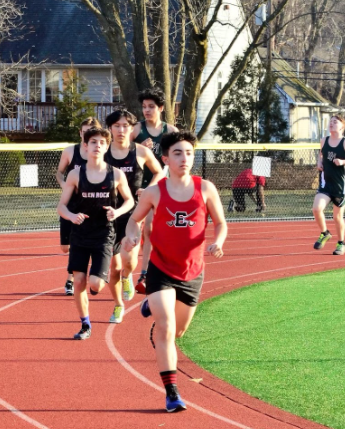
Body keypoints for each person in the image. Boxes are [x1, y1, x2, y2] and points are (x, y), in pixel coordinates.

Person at [124, 131, 227, 412]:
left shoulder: (205, 188)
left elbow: (220, 223)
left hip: (193, 272)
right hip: (161, 269)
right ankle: (172, 393)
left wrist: (218, 241)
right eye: (178, 153)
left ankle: (151, 307)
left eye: (189, 153)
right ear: (165, 158)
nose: (185, 158)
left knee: (178, 331)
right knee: (166, 328)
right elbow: (134, 221)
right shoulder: (155, 192)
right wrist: (131, 236)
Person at [57, 127, 134, 340]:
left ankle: (98, 281)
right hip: (80, 235)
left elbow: (130, 200)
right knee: (79, 281)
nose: (97, 145)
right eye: (93, 142)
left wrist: (116, 211)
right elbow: (61, 206)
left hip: (104, 235)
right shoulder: (75, 174)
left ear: (106, 147)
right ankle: (85, 325)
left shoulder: (115, 174)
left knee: (96, 284)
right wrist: (72, 217)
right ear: (85, 145)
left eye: (101, 142)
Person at [104, 109, 163, 324]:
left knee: (128, 263)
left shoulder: (140, 152)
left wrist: (149, 189)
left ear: (132, 129)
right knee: (114, 267)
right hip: (107, 213)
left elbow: (159, 171)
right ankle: (118, 305)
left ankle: (128, 278)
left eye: (125, 126)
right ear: (110, 129)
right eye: (117, 126)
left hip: (132, 214)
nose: (121, 130)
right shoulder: (102, 152)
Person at [131, 88, 178, 294]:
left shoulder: (171, 132)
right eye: (144, 107)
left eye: (151, 107)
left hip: (162, 188)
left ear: (160, 108)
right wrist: (138, 148)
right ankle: (137, 271)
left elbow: (180, 159)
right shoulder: (136, 130)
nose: (147, 110)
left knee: (156, 231)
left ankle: (152, 272)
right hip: (137, 188)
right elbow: (120, 153)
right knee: (138, 230)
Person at [55, 117, 101, 295]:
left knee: (79, 243)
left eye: (92, 131)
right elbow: (59, 172)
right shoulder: (70, 151)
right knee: (65, 247)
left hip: (91, 205)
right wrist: (65, 185)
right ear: (80, 133)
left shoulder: (100, 152)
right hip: (70, 204)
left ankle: (72, 279)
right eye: (85, 131)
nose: (87, 134)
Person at [312, 115, 345, 255]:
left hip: (340, 186)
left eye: (335, 122)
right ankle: (325, 233)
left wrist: (344, 162)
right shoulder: (324, 140)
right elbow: (321, 155)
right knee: (316, 209)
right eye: (330, 121)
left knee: (337, 217)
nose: (331, 124)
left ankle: (341, 244)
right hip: (326, 184)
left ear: (342, 127)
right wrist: (319, 163)